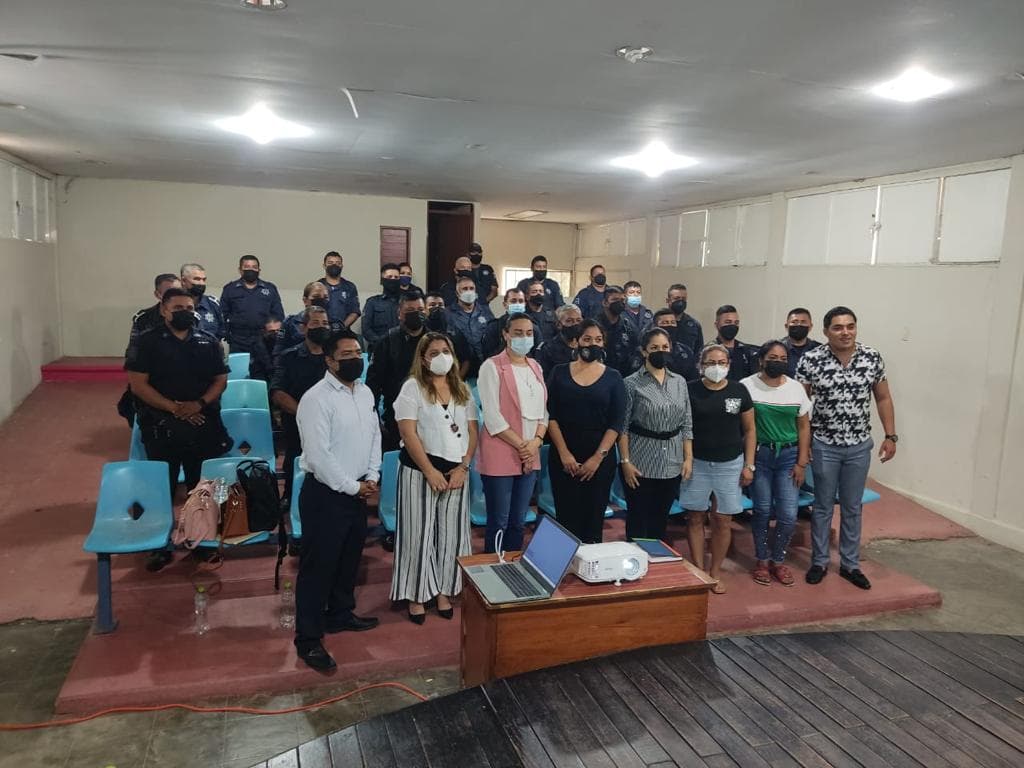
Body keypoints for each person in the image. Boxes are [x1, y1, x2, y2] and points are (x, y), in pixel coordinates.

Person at [125, 288, 232, 570]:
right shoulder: (146, 341)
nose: (185, 312)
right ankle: (159, 546)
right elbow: (138, 385)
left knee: (202, 487)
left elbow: (220, 380)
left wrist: (198, 404)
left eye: (189, 307)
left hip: (202, 422)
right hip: (161, 425)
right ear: (164, 310)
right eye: (178, 308)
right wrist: (175, 409)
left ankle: (201, 541)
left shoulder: (207, 341)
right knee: (163, 488)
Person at [294, 330, 380, 670]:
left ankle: (340, 614)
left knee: (348, 560)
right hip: (326, 495)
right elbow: (319, 456)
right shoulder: (316, 399)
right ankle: (308, 639)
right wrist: (351, 487)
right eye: (346, 355)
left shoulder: (365, 391)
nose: (355, 359)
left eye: (358, 352)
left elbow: (374, 435)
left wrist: (372, 476)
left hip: (358, 490)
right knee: (318, 569)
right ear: (329, 361)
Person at [796, 306, 897, 590]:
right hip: (824, 446)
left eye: (850, 326)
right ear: (826, 331)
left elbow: (883, 398)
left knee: (853, 507)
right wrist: (804, 445)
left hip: (858, 446)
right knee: (823, 506)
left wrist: (891, 436)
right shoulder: (811, 360)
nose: (845, 332)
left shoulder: (872, 357)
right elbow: (801, 407)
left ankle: (850, 564)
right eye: (838, 327)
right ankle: (819, 562)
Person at [392, 332, 478, 624]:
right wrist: (429, 471)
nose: (442, 357)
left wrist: (464, 466)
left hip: (457, 472)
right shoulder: (412, 387)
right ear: (423, 359)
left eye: (446, 351)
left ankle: (443, 590)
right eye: (434, 352)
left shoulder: (462, 388)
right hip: (420, 470)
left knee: (451, 535)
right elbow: (408, 432)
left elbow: (472, 431)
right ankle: (417, 595)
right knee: (419, 534)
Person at [680, 343, 755, 594]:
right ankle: (699, 569)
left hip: (730, 464)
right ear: (701, 365)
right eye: (711, 363)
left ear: (729, 365)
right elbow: (683, 427)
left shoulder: (739, 390)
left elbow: (750, 430)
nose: (716, 367)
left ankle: (715, 572)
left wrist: (749, 465)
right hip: (697, 463)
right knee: (695, 517)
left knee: (722, 520)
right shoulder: (689, 389)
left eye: (722, 363)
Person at [546, 320, 626, 543]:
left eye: (598, 340)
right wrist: (564, 454)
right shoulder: (559, 372)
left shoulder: (614, 377)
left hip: (599, 459)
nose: (593, 344)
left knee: (593, 523)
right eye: (587, 339)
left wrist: (597, 459)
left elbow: (616, 422)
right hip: (564, 457)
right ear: (576, 342)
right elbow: (550, 415)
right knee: (566, 521)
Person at [741, 341, 811, 587]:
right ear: (761, 360)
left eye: (783, 358)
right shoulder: (747, 386)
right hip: (759, 456)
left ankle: (778, 560)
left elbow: (804, 426)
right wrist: (748, 464)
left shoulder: (796, 388)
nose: (778, 362)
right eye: (772, 357)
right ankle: (762, 560)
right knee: (761, 510)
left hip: (789, 457)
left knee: (789, 514)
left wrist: (802, 462)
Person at [477, 315, 548, 554]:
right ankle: (492, 567)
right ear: (506, 334)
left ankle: (514, 567)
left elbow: (544, 411)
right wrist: (523, 446)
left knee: (519, 521)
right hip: (502, 451)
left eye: (529, 333)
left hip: (531, 450)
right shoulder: (492, 366)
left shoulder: (535, 366)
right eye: (518, 333)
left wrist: (536, 442)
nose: (524, 337)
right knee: (500, 521)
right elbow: (492, 416)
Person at [617, 328, 693, 543]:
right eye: (655, 347)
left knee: (660, 520)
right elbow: (622, 427)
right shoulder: (631, 383)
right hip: (641, 460)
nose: (661, 351)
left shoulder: (679, 381)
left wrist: (688, 458)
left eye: (665, 347)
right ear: (644, 351)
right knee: (638, 519)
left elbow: (687, 422)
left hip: (672, 460)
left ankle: (656, 558)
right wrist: (625, 462)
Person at [270, 306, 331, 505]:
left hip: (331, 423)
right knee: (294, 460)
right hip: (298, 423)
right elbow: (277, 392)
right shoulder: (289, 356)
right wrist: (305, 413)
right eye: (316, 323)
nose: (322, 327)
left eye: (325, 323)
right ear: (304, 328)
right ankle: (289, 496)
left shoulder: (334, 358)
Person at [366, 292, 429, 452]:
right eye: (410, 310)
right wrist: (375, 419)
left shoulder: (435, 341)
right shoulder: (386, 342)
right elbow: (373, 385)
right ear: (399, 314)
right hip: (396, 416)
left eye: (420, 310)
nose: (416, 314)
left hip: (431, 415)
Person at [120, 273, 182, 426]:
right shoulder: (144, 319)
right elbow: (133, 354)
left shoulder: (190, 316)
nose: (175, 296)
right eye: (169, 292)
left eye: (179, 291)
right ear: (157, 294)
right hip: (152, 376)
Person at [219, 255, 284, 353]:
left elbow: (279, 315)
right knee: (239, 363)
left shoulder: (270, 288)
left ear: (259, 270)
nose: (251, 270)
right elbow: (222, 314)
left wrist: (278, 337)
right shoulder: (230, 289)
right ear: (240, 270)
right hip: (238, 340)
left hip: (264, 339)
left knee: (265, 363)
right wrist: (226, 334)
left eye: (254, 267)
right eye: (247, 267)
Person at [444, 275, 494, 374]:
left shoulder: (485, 311)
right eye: (465, 289)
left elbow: (493, 335)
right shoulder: (447, 314)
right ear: (457, 293)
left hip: (485, 365)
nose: (469, 291)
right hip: (460, 367)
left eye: (471, 288)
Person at [422, 291, 472, 378]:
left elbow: (466, 360)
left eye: (440, 305)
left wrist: (457, 380)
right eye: (432, 305)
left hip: (451, 378)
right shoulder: (420, 331)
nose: (437, 307)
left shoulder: (454, 331)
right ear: (424, 309)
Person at [481, 288, 540, 360]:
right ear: (505, 304)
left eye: (521, 301)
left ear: (525, 304)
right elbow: (487, 353)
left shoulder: (533, 327)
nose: (517, 304)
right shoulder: (494, 327)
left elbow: (538, 354)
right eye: (513, 301)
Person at [276, 282, 333, 355]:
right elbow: (279, 350)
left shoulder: (336, 324)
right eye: (316, 296)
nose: (321, 300)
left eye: (325, 297)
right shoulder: (289, 322)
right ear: (305, 300)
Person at [598, 285, 641, 378]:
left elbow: (636, 350)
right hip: (600, 376)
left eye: (622, 300)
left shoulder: (629, 326)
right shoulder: (595, 326)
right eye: (615, 300)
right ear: (605, 303)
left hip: (624, 376)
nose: (620, 303)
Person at [361, 263, 405, 351]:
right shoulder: (372, 302)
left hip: (403, 348)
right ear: (382, 280)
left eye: (396, 277)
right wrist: (381, 343)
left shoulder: (406, 302)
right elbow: (366, 329)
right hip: (378, 349)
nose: (393, 279)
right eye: (389, 277)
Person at [534, 304, 582, 378]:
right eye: (569, 321)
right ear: (559, 325)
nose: (575, 324)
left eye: (578, 320)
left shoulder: (586, 347)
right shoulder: (547, 349)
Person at [713, 305, 758, 381]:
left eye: (736, 323)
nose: (732, 325)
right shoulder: (708, 351)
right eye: (728, 322)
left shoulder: (747, 352)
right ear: (716, 325)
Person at [652, 309, 699, 381]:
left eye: (673, 322)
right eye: (665, 323)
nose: (670, 325)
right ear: (655, 326)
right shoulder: (648, 350)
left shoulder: (686, 351)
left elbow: (693, 378)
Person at [180, 263, 224, 340]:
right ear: (183, 281)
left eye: (204, 280)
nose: (201, 283)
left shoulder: (213, 304)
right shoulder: (175, 304)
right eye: (197, 279)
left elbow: (222, 330)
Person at [319, 251, 360, 329]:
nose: (334, 265)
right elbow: (312, 311)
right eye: (330, 263)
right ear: (324, 266)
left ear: (342, 266)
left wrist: (341, 327)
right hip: (321, 330)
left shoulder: (350, 287)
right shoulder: (317, 286)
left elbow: (354, 312)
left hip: (344, 330)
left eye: (338, 263)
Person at [781, 307, 821, 378]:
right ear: (786, 326)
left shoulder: (819, 350)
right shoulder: (776, 348)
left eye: (803, 322)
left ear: (810, 327)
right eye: (794, 322)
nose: (799, 325)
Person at [666, 283, 704, 355]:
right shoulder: (657, 322)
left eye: (683, 299)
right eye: (677, 298)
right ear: (668, 300)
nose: (680, 302)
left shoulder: (694, 325)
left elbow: (699, 351)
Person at [247, 317, 283, 383]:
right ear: (264, 332)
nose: (276, 333)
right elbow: (262, 369)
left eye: (279, 330)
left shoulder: (286, 342)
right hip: (264, 379)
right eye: (272, 331)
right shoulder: (258, 346)